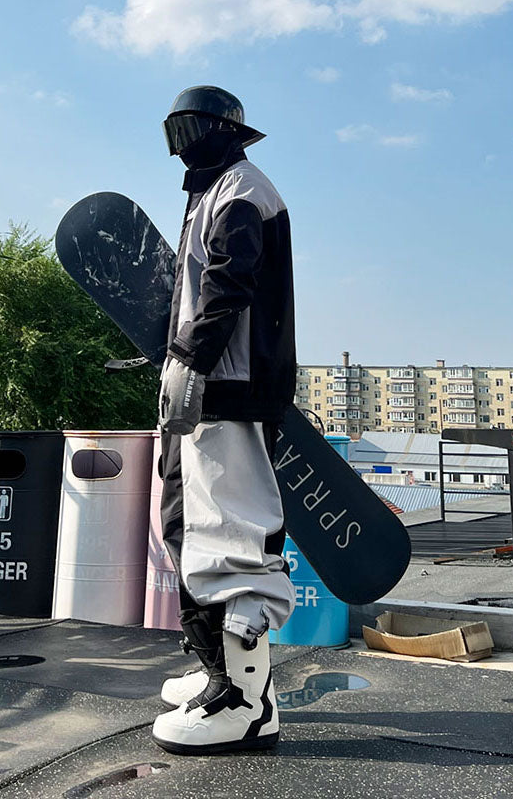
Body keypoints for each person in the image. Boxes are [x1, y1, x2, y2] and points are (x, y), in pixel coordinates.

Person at [152, 85, 297, 756]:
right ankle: (218, 667)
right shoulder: (210, 192)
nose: (181, 144)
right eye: (174, 132)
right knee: (186, 525)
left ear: (222, 130)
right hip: (209, 382)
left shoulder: (241, 189)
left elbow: (230, 283)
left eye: (188, 129)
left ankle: (245, 700)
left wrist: (190, 358)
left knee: (233, 536)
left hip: (230, 385)